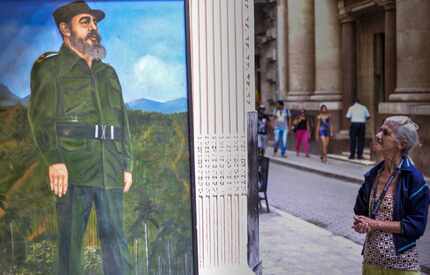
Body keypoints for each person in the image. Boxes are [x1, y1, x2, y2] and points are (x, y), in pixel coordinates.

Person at [28, 1, 133, 274]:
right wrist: (54, 160)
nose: (93, 28)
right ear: (65, 29)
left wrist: (127, 164)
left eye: (94, 22)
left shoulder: (108, 73)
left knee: (116, 243)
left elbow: (122, 121)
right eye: (85, 22)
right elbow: (41, 118)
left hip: (110, 167)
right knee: (70, 246)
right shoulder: (49, 69)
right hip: (73, 170)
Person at [353, 116, 429, 275]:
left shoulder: (414, 179)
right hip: (371, 261)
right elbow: (361, 211)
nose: (378, 135)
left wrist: (375, 224)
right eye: (379, 130)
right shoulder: (372, 175)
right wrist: (362, 224)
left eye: (385, 133)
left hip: (402, 266)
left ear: (401, 144)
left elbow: (416, 226)